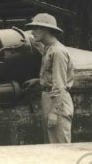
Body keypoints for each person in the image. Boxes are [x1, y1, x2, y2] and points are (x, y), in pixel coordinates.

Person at [23, 13, 75, 143]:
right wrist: (38, 81)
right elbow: (53, 77)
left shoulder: (58, 52)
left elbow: (60, 85)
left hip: (57, 102)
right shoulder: (48, 49)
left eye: (36, 28)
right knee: (51, 144)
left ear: (46, 30)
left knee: (60, 146)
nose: (32, 32)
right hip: (49, 98)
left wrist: (54, 112)